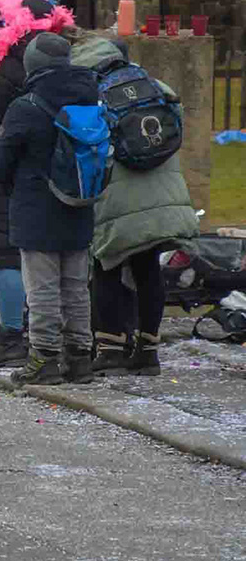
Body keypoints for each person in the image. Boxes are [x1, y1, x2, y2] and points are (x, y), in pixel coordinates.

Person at [0, 0, 76, 369]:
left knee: (7, 254)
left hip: (13, 174)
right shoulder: (70, 65)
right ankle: (65, 337)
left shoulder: (7, 69)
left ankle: (11, 335)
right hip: (66, 172)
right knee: (65, 255)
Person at [70, 34, 198, 376]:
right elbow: (176, 125)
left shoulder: (90, 94)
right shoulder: (154, 85)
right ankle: (148, 351)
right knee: (148, 267)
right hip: (161, 190)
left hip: (117, 194)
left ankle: (111, 349)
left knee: (107, 266)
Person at [0, 32, 101, 386]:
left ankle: (44, 358)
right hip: (80, 202)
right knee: (76, 287)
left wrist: (12, 187)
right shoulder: (91, 99)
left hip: (36, 206)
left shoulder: (26, 106)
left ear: (32, 66)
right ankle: (80, 358)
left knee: (43, 288)